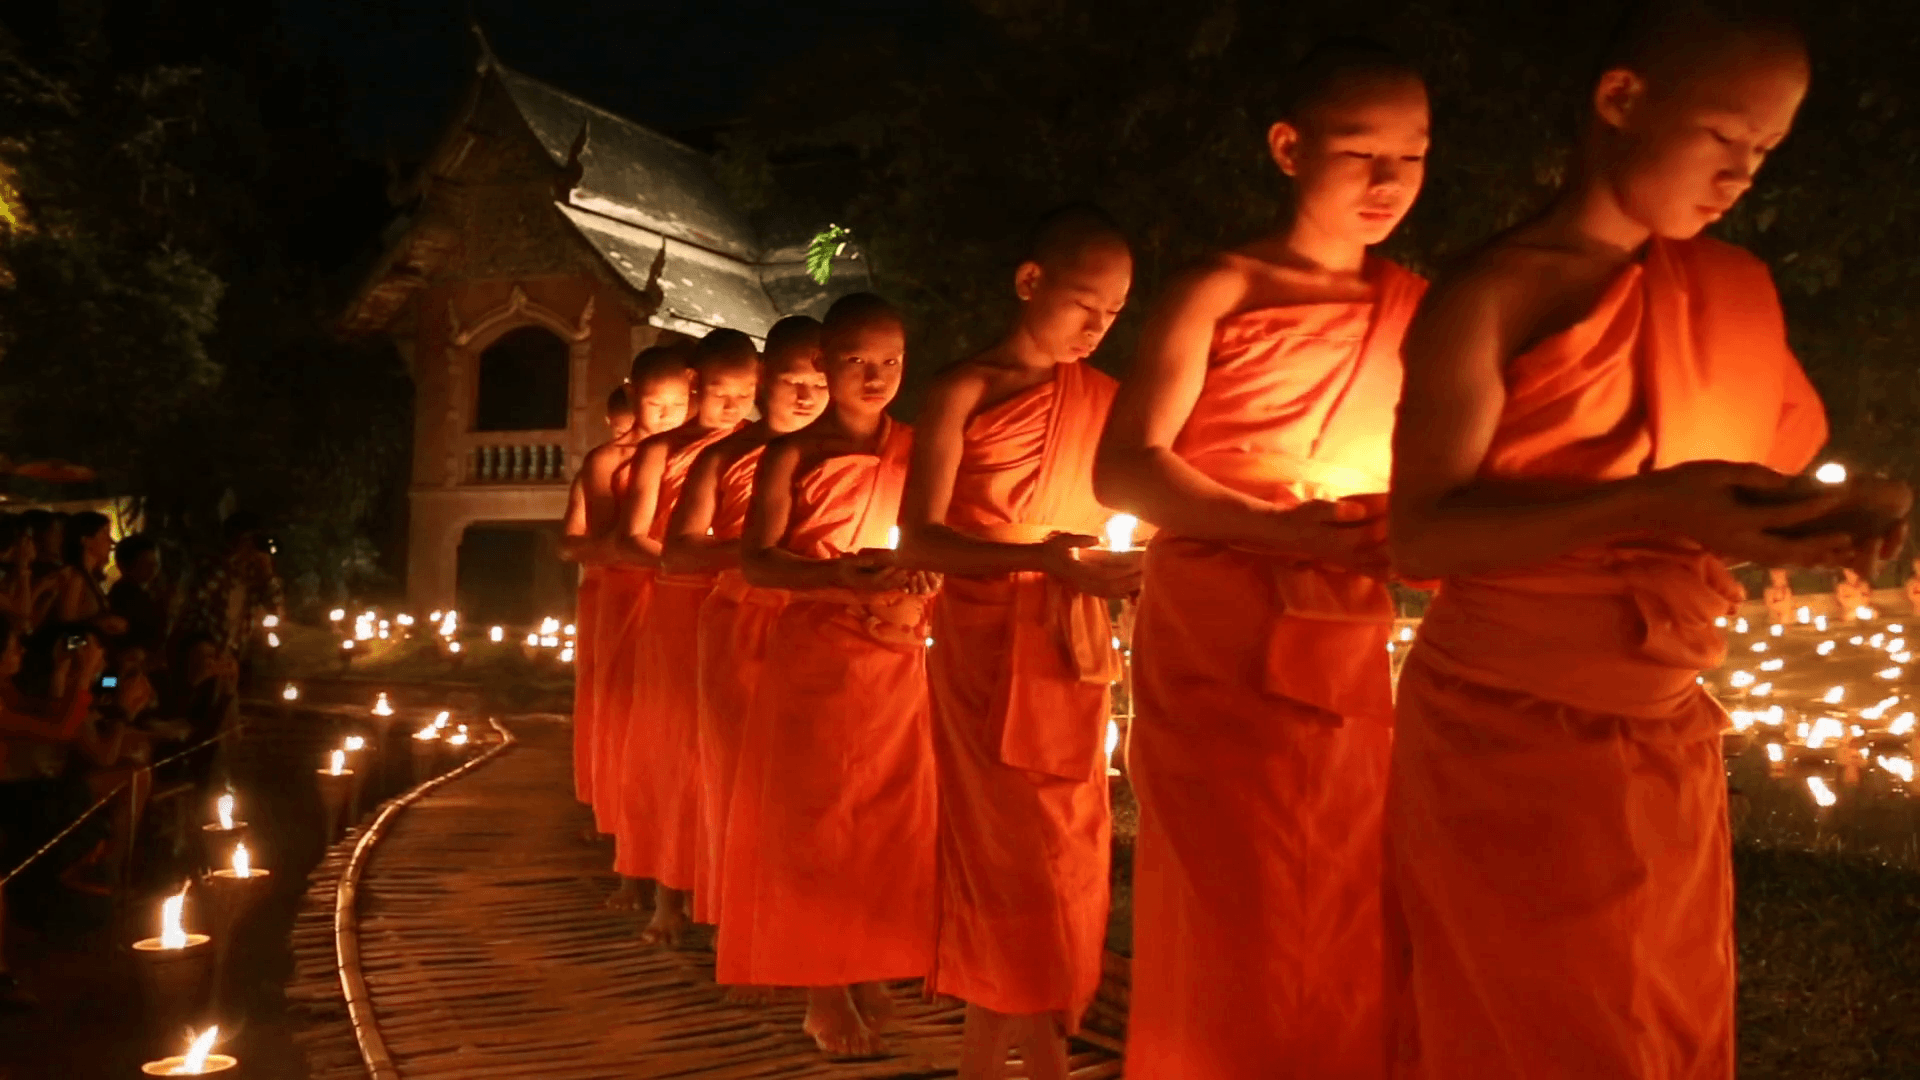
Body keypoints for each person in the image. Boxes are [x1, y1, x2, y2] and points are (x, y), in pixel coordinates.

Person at [1385, 8, 1904, 1077]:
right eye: (1724, 134)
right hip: (1504, 730)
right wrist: (1650, 507)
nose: (1743, 170)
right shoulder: (1493, 293)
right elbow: (1421, 533)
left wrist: (1818, 520)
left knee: (1660, 1025)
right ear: (1622, 101)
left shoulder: (1732, 291)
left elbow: (1716, 506)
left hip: (1665, 727)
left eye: (1766, 149)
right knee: (1535, 1031)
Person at [1091, 40, 1430, 1077]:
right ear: (1288, 148)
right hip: (1219, 627)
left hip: (1343, 625)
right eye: (1359, 152)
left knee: (1342, 880)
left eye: (1412, 158)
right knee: (1235, 887)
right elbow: (1127, 469)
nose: (1386, 184)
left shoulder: (1418, 306)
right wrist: (1280, 527)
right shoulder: (1221, 287)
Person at [895, 205, 1138, 1079]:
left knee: (1070, 846)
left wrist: (1121, 569)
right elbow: (919, 538)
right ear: (1030, 282)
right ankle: (1034, 1048)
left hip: (1069, 646)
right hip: (983, 646)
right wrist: (1037, 556)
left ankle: (993, 1048)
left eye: (1113, 314)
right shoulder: (963, 389)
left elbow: (1123, 515)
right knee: (1006, 854)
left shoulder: (1108, 400)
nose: (1096, 328)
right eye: (1083, 304)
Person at [720, 293, 937, 1057]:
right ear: (824, 363)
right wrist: (843, 580)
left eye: (891, 363)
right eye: (856, 361)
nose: (875, 377)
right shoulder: (793, 454)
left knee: (890, 816)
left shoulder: (920, 446)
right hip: (819, 651)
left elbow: (940, 535)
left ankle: (872, 959)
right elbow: (756, 559)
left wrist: (921, 576)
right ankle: (822, 987)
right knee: (822, 818)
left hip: (900, 653)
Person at [661, 316, 827, 973]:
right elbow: (677, 550)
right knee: (733, 781)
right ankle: (742, 927)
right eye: (794, 381)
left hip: (818, 630)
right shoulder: (725, 457)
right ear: (764, 382)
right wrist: (759, 553)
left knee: (808, 788)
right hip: (737, 622)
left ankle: (809, 929)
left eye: (821, 382)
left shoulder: (839, 455)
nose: (809, 396)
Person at [615, 329, 759, 945]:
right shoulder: (661, 452)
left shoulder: (766, 448)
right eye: (723, 394)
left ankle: (732, 899)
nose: (734, 408)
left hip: (746, 604)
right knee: (677, 753)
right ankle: (666, 897)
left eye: (747, 395)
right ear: (695, 384)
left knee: (735, 757)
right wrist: (695, 558)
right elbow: (635, 536)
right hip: (677, 607)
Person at [590, 345, 693, 908]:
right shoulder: (616, 463)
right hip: (637, 599)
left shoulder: (720, 450)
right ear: (634, 400)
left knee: (692, 753)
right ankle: (638, 874)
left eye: (681, 404)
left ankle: (693, 889)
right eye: (657, 405)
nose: (670, 417)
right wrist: (669, 557)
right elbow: (600, 540)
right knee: (643, 742)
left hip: (699, 604)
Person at [559, 385, 639, 823]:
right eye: (629, 425)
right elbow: (570, 545)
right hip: (610, 591)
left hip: (667, 595)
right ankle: (602, 804)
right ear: (611, 422)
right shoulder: (604, 465)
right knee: (607, 697)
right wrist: (622, 547)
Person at [108, 533, 172, 666]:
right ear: (125, 566)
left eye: (155, 563)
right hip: (126, 666)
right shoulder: (123, 595)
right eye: (146, 563)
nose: (153, 569)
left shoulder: (151, 591)